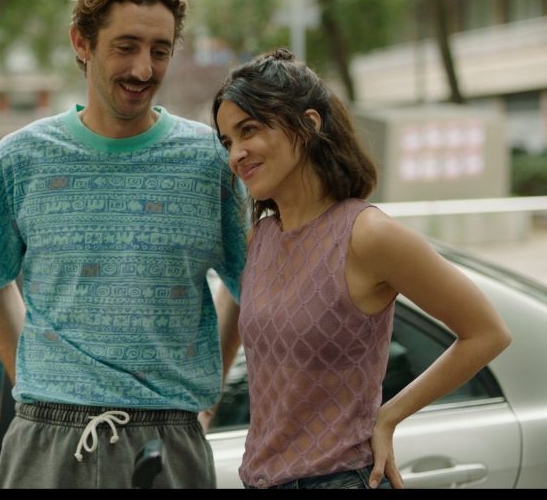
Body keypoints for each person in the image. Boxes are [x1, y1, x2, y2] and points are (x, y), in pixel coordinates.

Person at [0, 0, 247, 488]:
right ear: (82, 42)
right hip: (46, 442)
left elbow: (247, 287)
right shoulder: (20, 159)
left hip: (169, 442)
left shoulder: (211, 162)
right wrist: (40, 384)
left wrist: (203, 404)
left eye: (159, 50)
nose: (143, 69)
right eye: (126, 46)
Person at [211, 47, 512, 490]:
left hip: (342, 478)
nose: (236, 154)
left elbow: (487, 333)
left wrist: (389, 416)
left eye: (249, 130)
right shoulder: (260, 238)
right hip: (259, 478)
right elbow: (235, 337)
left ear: (309, 124)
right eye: (227, 142)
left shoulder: (367, 234)